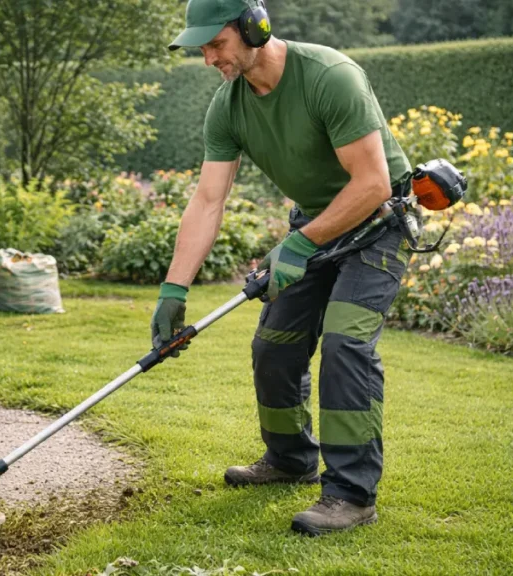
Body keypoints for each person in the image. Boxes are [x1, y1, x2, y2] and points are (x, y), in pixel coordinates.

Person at [153, 0, 413, 536]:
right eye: (201, 48)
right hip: (317, 226)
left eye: (216, 44)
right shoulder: (227, 107)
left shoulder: (329, 76)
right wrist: (173, 289)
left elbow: (372, 185)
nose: (208, 59)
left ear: (254, 26)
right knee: (274, 343)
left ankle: (351, 494)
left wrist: (297, 246)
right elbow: (207, 201)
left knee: (346, 345)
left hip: (378, 223)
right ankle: (291, 458)